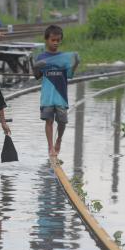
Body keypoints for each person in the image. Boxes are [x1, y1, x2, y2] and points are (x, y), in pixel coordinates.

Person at [32, 25, 80, 157]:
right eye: (53, 40)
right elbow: (37, 76)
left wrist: (75, 64)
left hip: (61, 95)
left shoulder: (64, 58)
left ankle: (58, 140)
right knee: (49, 121)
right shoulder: (42, 56)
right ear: (47, 40)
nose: (55, 43)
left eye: (58, 40)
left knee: (62, 121)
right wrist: (36, 67)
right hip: (48, 96)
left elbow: (69, 74)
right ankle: (50, 147)